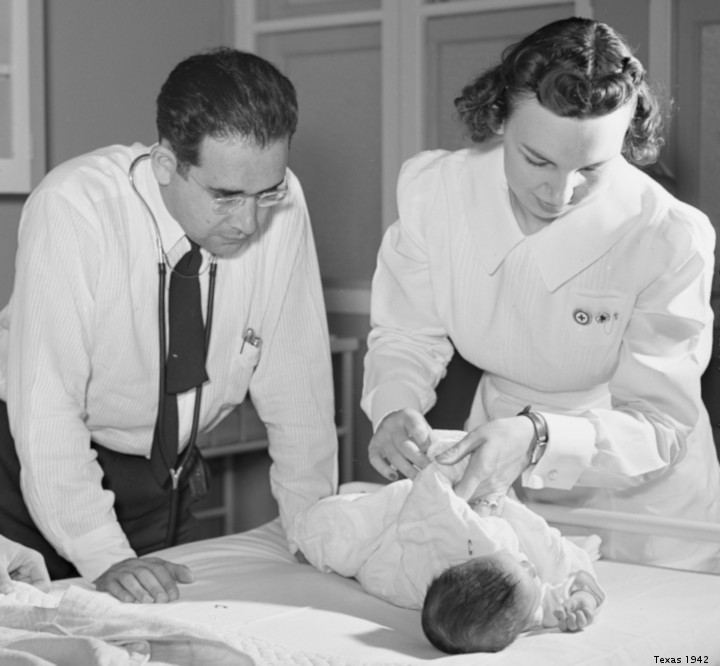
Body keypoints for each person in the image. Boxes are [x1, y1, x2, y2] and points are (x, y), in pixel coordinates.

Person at [361, 16, 720, 572]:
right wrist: (394, 407)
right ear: (500, 117)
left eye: (592, 168)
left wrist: (538, 438)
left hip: (647, 499)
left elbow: (660, 423)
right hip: (501, 466)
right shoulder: (436, 194)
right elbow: (406, 335)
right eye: (537, 160)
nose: (560, 192)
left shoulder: (668, 236)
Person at [0, 47, 337, 602]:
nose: (250, 222)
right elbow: (47, 408)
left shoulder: (281, 202)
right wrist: (104, 553)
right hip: (31, 472)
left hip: (164, 477)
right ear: (164, 164)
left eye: (266, 192)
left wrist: (314, 532)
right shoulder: (74, 207)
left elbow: (297, 382)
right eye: (225, 197)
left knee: (162, 627)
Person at [291, 430, 606, 653]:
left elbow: (432, 497)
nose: (533, 568)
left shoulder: (452, 549)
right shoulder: (525, 608)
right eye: (530, 573)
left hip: (395, 534)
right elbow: (571, 583)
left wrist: (459, 471)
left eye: (522, 566)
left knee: (347, 534)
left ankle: (311, 538)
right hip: (471, 498)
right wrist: (583, 601)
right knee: (355, 527)